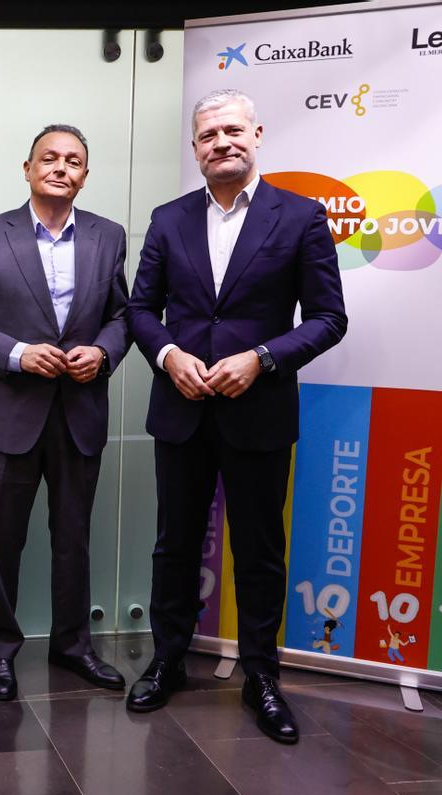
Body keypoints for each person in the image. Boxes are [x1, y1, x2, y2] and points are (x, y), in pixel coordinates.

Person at [125, 89, 346, 744]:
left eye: (231, 131)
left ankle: (261, 676)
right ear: (195, 150)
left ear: (256, 134)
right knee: (174, 545)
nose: (219, 143)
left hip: (260, 410)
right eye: (206, 136)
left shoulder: (301, 216)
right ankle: (167, 660)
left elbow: (329, 319)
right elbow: (141, 309)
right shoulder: (168, 219)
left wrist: (261, 358)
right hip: (182, 409)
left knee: (260, 550)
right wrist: (167, 355)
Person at [0, 125, 130, 700]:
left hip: (80, 412)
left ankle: (73, 646)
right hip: (11, 414)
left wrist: (102, 353)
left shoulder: (108, 236)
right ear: (27, 168)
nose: (60, 167)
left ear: (84, 174)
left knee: (73, 537)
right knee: (3, 539)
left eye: (73, 160)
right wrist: (20, 354)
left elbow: (125, 316)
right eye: (49, 158)